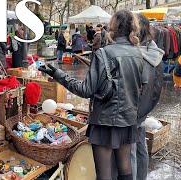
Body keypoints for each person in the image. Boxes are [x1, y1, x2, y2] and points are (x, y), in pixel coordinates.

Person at [39, 10, 143, 180]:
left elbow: (85, 90)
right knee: (125, 171)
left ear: (113, 27)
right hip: (127, 119)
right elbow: (142, 88)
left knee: (104, 175)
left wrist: (58, 74)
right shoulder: (139, 53)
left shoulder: (104, 53)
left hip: (104, 121)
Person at [129, 14, 164, 180]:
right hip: (144, 108)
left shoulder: (138, 55)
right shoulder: (154, 50)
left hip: (133, 110)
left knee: (131, 152)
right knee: (140, 146)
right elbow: (157, 87)